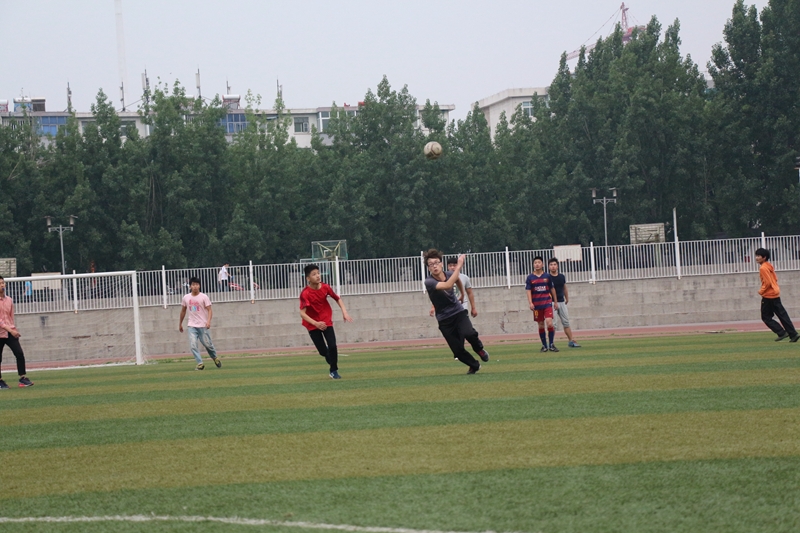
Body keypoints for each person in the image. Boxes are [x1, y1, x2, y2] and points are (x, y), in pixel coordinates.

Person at [424, 249, 489, 374]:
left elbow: (457, 280)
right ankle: (474, 365)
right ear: (428, 268)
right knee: (457, 351)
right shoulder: (429, 282)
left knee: (469, 333)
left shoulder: (449, 274)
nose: (434, 266)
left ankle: (479, 349)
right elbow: (447, 285)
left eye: (436, 263)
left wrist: (462, 294)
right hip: (444, 319)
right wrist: (458, 266)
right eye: (431, 264)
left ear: (441, 264)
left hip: (458, 313)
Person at [299, 264, 353, 379]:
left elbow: (337, 298)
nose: (318, 276)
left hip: (326, 321)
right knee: (323, 352)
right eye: (314, 274)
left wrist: (344, 312)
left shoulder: (326, 287)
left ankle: (333, 370)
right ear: (308, 278)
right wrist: (316, 323)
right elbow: (302, 313)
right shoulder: (305, 293)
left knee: (333, 346)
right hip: (312, 324)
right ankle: (329, 356)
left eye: (318, 273)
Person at [178, 277, 222, 370]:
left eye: (197, 284)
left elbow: (209, 310)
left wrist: (208, 321)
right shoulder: (186, 297)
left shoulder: (204, 297)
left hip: (203, 325)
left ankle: (214, 357)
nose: (195, 286)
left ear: (199, 286)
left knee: (207, 344)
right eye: (193, 285)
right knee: (193, 345)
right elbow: (183, 311)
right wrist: (180, 323)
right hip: (191, 325)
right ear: (190, 286)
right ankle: (200, 363)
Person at [755, 248, 798, 342]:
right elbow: (775, 278)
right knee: (782, 315)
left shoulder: (763, 268)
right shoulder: (769, 265)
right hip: (775, 293)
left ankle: (781, 332)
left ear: (764, 257)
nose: (756, 258)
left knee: (766, 317)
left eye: (758, 256)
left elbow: (767, 283)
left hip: (768, 295)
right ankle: (793, 334)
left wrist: (761, 291)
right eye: (756, 256)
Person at [0, 276, 34, 388]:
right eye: (0, 283)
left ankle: (22, 378)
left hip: (10, 332)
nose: (2, 285)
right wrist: (10, 330)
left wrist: (13, 329)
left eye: (3, 283)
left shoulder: (9, 300)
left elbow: (10, 317)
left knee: (19, 353)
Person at [526, 256, 559, 352]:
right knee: (540, 325)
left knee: (549, 323)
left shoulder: (547, 276)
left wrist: (555, 302)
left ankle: (551, 344)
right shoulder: (530, 278)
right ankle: (544, 345)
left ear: (542, 264)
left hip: (547, 303)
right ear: (533, 265)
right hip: (537, 305)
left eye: (539, 262)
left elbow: (552, 289)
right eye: (535, 262)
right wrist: (530, 303)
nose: (537, 264)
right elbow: (528, 290)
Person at [548, 258, 581, 348]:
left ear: (557, 266)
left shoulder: (562, 276)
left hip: (562, 302)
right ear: (548, 267)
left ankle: (571, 341)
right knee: (553, 324)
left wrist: (567, 298)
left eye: (554, 264)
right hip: (551, 303)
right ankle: (551, 343)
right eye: (551, 265)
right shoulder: (547, 278)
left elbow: (564, 287)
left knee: (566, 322)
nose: (553, 266)